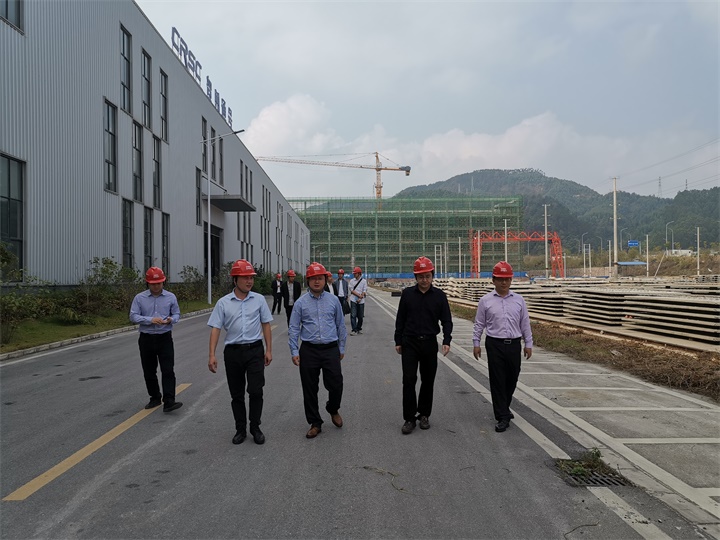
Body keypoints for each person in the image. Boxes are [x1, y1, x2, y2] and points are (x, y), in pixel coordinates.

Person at [208, 259, 273, 445]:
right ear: (235, 279)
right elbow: (215, 329)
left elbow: (266, 325)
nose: (249, 281)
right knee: (236, 394)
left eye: (251, 277)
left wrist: (269, 350)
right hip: (233, 352)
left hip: (255, 351)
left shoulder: (259, 299)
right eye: (245, 278)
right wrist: (212, 354)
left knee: (256, 390)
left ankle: (255, 427)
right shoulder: (223, 303)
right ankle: (240, 429)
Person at [288, 262, 347, 439]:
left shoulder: (333, 301)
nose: (316, 281)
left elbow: (340, 325)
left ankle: (333, 408)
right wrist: (294, 350)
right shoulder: (300, 303)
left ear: (325, 279)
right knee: (309, 388)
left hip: (330, 348)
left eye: (320, 278)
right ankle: (315, 423)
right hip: (309, 350)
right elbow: (294, 328)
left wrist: (341, 347)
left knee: (336, 384)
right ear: (308, 280)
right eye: (313, 278)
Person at [472, 261, 533, 433]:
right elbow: (479, 324)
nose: (504, 282)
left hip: (513, 344)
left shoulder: (519, 300)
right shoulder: (485, 301)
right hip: (495, 344)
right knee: (497, 380)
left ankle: (504, 407)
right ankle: (502, 416)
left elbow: (525, 323)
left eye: (507, 279)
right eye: (500, 279)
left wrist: (528, 343)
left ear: (511, 280)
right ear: (493, 280)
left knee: (512, 377)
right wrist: (476, 343)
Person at [394, 257, 452, 434]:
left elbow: (446, 320)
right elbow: (400, 319)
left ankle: (424, 414)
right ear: (416, 277)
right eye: (421, 277)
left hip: (429, 343)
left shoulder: (439, 296)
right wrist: (398, 340)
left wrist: (447, 340)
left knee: (428, 380)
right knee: (408, 379)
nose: (424, 280)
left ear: (432, 276)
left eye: (427, 276)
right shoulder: (407, 294)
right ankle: (409, 418)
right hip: (410, 343)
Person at [129, 267, 182, 413]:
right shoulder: (139, 298)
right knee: (149, 370)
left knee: (168, 369)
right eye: (153, 284)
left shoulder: (171, 297)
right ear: (147, 283)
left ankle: (169, 400)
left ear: (163, 282)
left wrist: (171, 319)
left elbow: (177, 314)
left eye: (159, 283)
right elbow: (133, 316)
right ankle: (154, 397)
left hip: (165, 337)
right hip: (146, 338)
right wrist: (150, 320)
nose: (156, 286)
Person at [348, 266, 367, 335]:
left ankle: (358, 328)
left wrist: (360, 298)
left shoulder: (364, 281)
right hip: (353, 300)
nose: (354, 274)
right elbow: (352, 290)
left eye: (355, 273)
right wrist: (359, 296)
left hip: (361, 301)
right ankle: (354, 329)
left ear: (359, 274)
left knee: (360, 316)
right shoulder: (352, 281)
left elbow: (364, 290)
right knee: (353, 315)